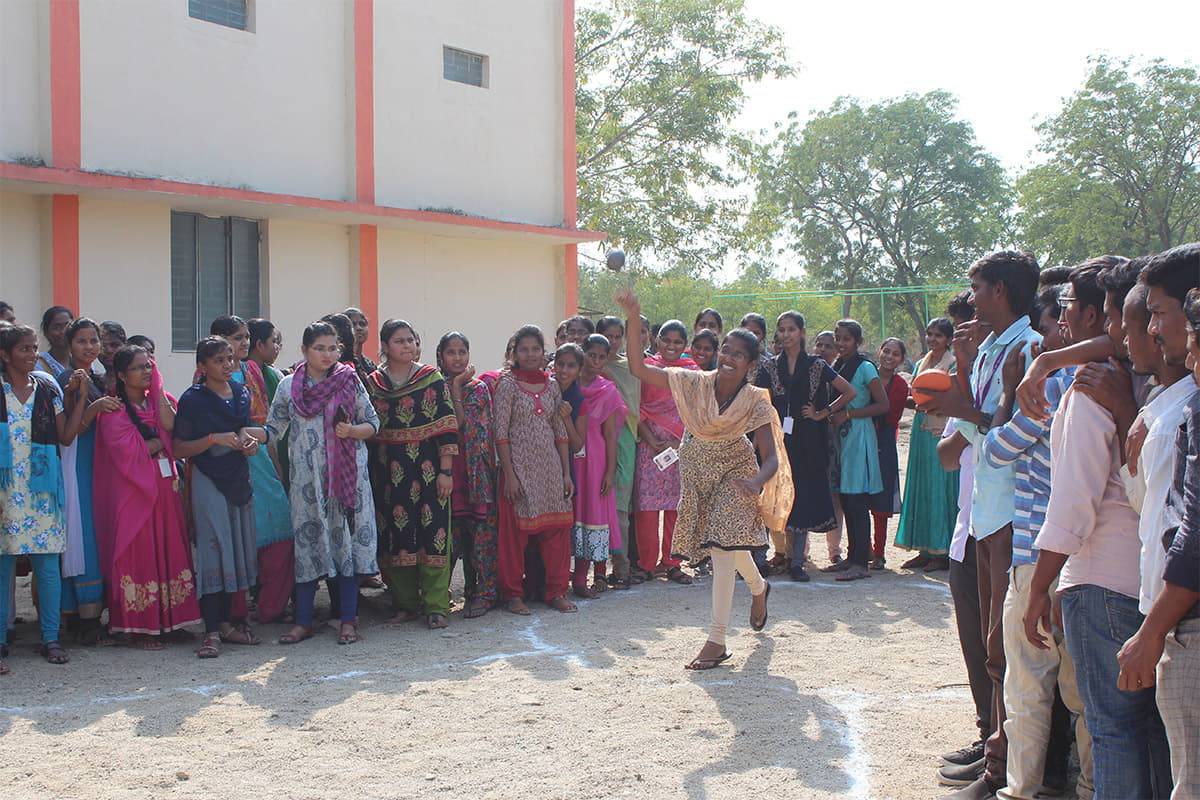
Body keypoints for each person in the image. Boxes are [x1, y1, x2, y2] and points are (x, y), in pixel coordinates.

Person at [1025, 262, 1172, 800]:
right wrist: (1047, 360)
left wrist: (1042, 585)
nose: (1061, 319)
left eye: (1115, 317)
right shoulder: (1150, 382)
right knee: (1150, 735)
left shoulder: (1092, 390)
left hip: (1103, 584)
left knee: (1112, 731)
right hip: (1149, 585)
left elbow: (1073, 507)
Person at [981, 262, 1108, 800]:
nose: (1052, 333)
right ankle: (1088, 788)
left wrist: (1014, 392)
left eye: (1059, 321)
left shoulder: (1053, 385)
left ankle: (1021, 788)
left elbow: (995, 450)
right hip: (1092, 564)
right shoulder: (1119, 382)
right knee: (1085, 697)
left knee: (1029, 685)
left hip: (1040, 556)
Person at [615, 289, 791, 671]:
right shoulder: (694, 382)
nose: (728, 357)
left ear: (751, 364)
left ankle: (716, 639)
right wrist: (634, 316)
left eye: (737, 355)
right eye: (725, 350)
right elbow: (639, 370)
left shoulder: (757, 399)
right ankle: (759, 588)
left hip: (736, 477)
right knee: (726, 545)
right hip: (697, 474)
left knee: (724, 554)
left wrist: (756, 481)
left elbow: (771, 456)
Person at [924, 251, 1043, 800]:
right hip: (986, 512)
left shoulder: (1029, 350)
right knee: (993, 644)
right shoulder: (995, 347)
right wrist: (969, 384)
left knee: (1006, 645)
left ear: (1000, 290)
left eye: (977, 288)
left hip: (1013, 513)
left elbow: (1002, 439)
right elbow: (967, 437)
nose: (970, 299)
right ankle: (995, 754)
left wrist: (970, 410)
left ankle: (1005, 770)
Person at [1118, 276, 1200, 799]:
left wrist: (1152, 632)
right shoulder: (1171, 409)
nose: (1190, 353)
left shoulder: (1185, 412)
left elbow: (1192, 536)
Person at [266, 322, 380, 646]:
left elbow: (372, 422)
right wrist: (252, 437)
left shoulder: (349, 380)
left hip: (345, 481)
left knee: (345, 545)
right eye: (320, 348)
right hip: (307, 484)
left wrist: (352, 432)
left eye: (333, 348)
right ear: (304, 351)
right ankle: (303, 622)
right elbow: (273, 427)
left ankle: (347, 620)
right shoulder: (289, 387)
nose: (328, 354)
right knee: (307, 545)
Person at [93, 345, 202, 650]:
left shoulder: (162, 402)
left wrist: (159, 392)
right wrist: (155, 443)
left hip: (166, 491)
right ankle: (139, 627)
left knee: (171, 550)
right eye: (139, 367)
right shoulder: (112, 410)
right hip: (134, 494)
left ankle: (172, 621)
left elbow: (173, 432)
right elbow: (125, 452)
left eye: (149, 366)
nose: (146, 372)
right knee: (138, 555)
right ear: (121, 375)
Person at [173, 337, 268, 657]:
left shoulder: (241, 393)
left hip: (239, 478)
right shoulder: (193, 399)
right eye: (218, 360)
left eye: (230, 358)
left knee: (236, 551)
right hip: (208, 480)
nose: (227, 364)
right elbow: (179, 448)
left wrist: (249, 442)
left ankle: (228, 625)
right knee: (214, 551)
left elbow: (247, 432)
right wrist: (213, 439)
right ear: (202, 366)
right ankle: (211, 631)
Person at [0, 324, 84, 673]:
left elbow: (65, 436)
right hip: (5, 491)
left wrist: (79, 399)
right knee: (3, 566)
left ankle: (51, 637)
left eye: (34, 347)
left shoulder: (47, 388)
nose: (32, 354)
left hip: (42, 491)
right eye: (24, 349)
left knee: (47, 567)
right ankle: (2, 639)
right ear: (4, 355)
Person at [366, 320, 459, 630]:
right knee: (395, 536)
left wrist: (446, 471)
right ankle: (405, 604)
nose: (407, 345)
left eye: (411, 340)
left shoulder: (430, 379)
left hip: (429, 473)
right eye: (399, 341)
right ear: (385, 346)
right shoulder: (373, 383)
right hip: (386, 474)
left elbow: (446, 426)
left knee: (434, 536)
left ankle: (435, 606)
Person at [754, 311, 855, 582]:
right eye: (781, 330)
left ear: (801, 332)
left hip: (807, 441)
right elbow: (758, 402)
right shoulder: (768, 367)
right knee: (767, 495)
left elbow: (848, 391)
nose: (786, 334)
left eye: (791, 329)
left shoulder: (817, 365)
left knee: (801, 497)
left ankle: (796, 562)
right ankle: (760, 559)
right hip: (775, 440)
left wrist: (823, 412)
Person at [209, 315, 294, 626]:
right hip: (223, 460)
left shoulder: (253, 370)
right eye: (235, 337)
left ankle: (271, 607)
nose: (243, 343)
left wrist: (273, 463)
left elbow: (264, 424)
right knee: (235, 535)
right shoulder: (205, 378)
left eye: (245, 337)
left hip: (258, 457)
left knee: (280, 528)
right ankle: (236, 614)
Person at [493, 325, 576, 614]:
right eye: (524, 349)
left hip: (551, 469)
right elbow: (500, 433)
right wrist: (510, 476)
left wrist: (565, 473)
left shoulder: (552, 385)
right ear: (514, 353)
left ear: (543, 352)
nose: (530, 354)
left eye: (535, 349)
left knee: (557, 533)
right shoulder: (507, 385)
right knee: (514, 536)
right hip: (519, 470)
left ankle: (556, 591)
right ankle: (513, 594)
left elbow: (559, 432)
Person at [57, 318, 121, 646]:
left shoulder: (96, 376)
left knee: (94, 532)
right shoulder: (68, 378)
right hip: (78, 461)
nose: (89, 347)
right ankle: (87, 620)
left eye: (93, 340)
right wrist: (94, 406)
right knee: (83, 536)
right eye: (81, 341)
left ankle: (84, 616)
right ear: (69, 346)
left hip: (96, 463)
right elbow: (70, 430)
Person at [438, 332, 499, 619]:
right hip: (447, 473)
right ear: (441, 356)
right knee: (449, 539)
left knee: (481, 538)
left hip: (475, 473)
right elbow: (454, 424)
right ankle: (440, 594)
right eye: (451, 352)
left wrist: (461, 386)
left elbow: (474, 429)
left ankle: (482, 594)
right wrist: (456, 387)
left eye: (463, 351)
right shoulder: (434, 387)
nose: (458, 357)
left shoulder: (479, 389)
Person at [635, 320, 699, 585]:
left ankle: (672, 563)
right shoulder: (647, 369)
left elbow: (697, 411)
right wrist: (650, 439)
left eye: (678, 341)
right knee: (647, 508)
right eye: (666, 340)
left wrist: (677, 442)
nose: (672, 346)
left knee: (676, 507)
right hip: (648, 444)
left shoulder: (692, 372)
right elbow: (636, 406)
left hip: (680, 446)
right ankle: (646, 564)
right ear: (656, 340)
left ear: (685, 344)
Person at [825, 320, 889, 582]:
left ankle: (862, 562)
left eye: (846, 339)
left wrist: (848, 414)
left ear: (858, 342)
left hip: (859, 436)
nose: (841, 343)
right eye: (838, 338)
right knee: (847, 499)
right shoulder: (838, 365)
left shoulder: (864, 368)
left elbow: (882, 404)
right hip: (842, 438)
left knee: (857, 499)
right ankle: (852, 557)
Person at [895, 318, 958, 571]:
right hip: (921, 433)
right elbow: (917, 395)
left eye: (939, 336)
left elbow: (953, 396)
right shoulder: (921, 363)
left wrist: (924, 401)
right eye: (930, 334)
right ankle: (923, 548)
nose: (933, 339)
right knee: (920, 486)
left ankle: (941, 551)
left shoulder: (953, 363)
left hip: (941, 432)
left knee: (939, 489)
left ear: (949, 339)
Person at [570, 334, 626, 598]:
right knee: (574, 514)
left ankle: (593, 576)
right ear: (582, 353)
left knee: (596, 515)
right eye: (591, 354)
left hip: (596, 461)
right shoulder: (566, 384)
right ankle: (572, 578)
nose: (596, 361)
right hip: (570, 457)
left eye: (602, 356)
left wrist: (610, 471)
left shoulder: (608, 390)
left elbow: (611, 435)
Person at [597, 316, 642, 588]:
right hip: (594, 438)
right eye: (608, 336)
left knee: (620, 505)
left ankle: (622, 566)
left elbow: (632, 406)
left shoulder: (630, 367)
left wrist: (611, 379)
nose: (613, 342)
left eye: (617, 336)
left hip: (624, 437)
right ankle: (598, 570)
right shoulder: (588, 365)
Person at [867, 337, 910, 570]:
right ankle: (860, 549)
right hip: (861, 441)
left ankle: (879, 553)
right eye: (886, 351)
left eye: (895, 354)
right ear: (879, 351)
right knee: (857, 499)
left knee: (881, 504)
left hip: (884, 442)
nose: (889, 356)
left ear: (902, 360)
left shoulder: (901, 386)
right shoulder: (866, 376)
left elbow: (890, 416)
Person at [813, 330, 845, 567]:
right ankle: (798, 551)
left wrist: (828, 412)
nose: (822, 349)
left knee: (835, 496)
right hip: (811, 440)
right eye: (819, 345)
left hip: (836, 441)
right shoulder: (808, 370)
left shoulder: (841, 374)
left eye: (828, 346)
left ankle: (834, 550)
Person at [36, 305, 74, 379]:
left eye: (68, 326)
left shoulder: (81, 359)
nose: (63, 331)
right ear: (46, 333)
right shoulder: (40, 364)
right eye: (56, 327)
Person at [344, 307, 377, 383]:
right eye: (353, 324)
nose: (359, 328)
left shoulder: (370, 365)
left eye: (362, 324)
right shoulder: (341, 363)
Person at [97, 321, 126, 387]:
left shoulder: (134, 381)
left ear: (125, 346)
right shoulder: (94, 383)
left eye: (115, 345)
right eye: (103, 346)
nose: (109, 351)